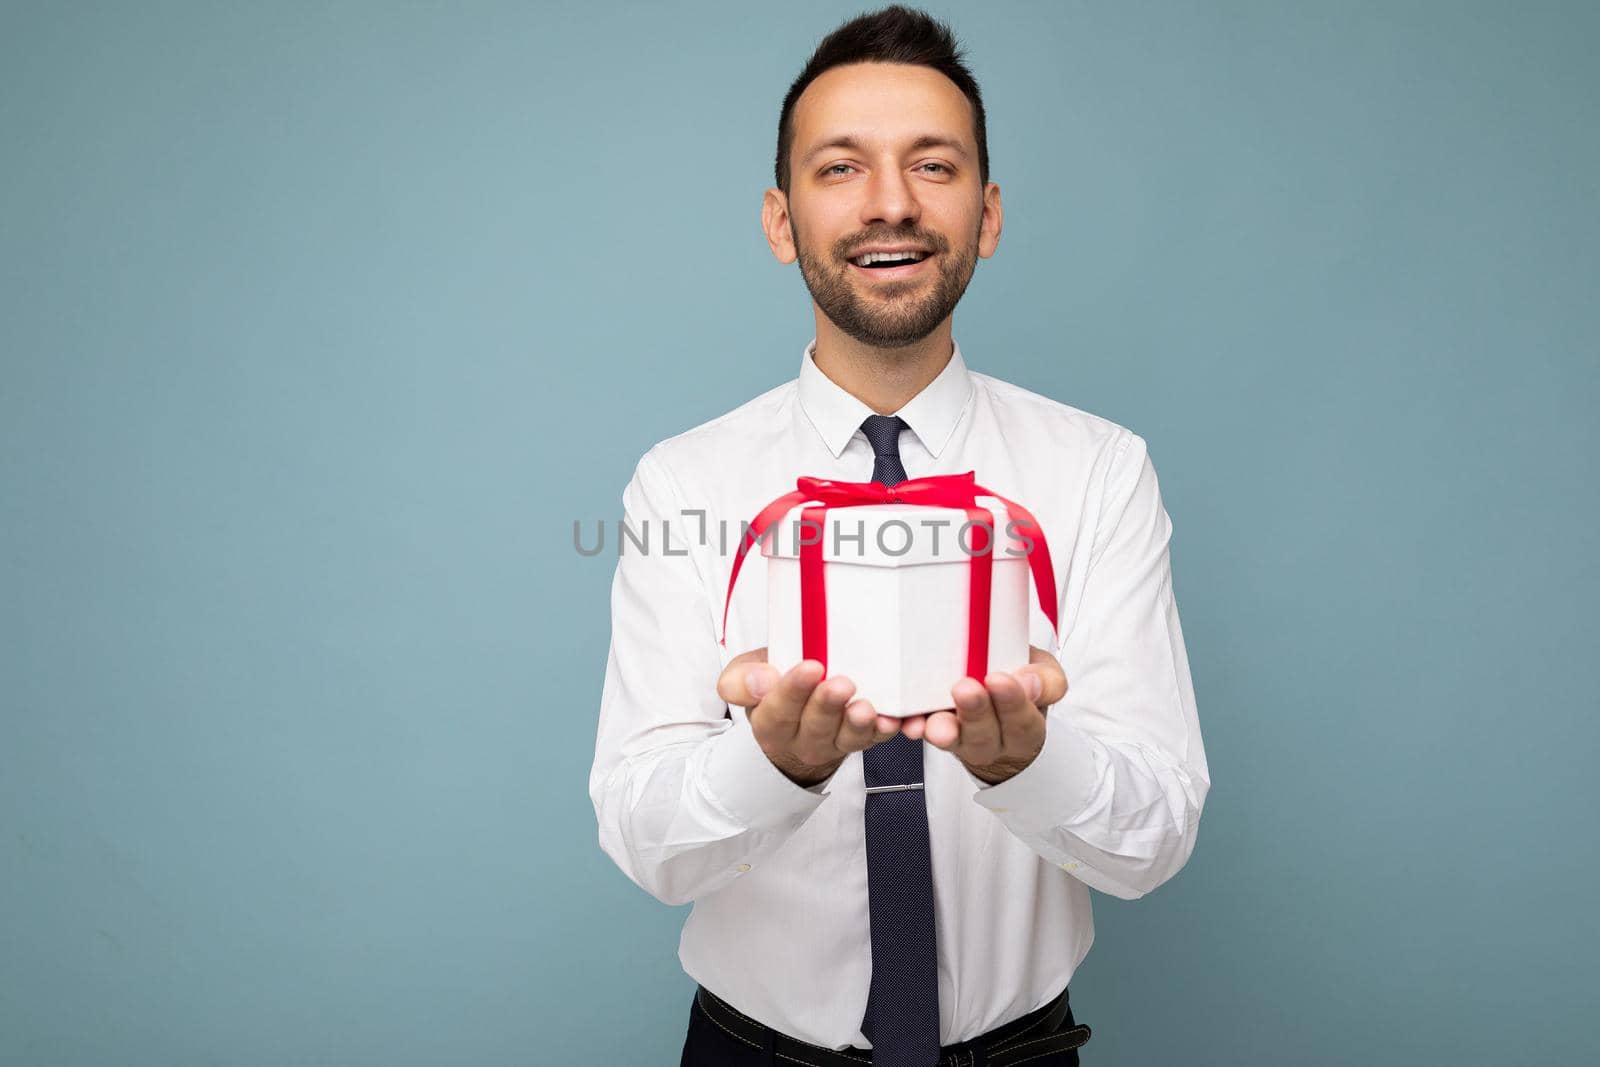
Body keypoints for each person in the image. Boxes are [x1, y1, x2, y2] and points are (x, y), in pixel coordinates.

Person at [588, 6, 1211, 1065]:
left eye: (933, 165)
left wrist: (1028, 763)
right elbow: (647, 843)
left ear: (988, 212)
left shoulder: (1100, 471)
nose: (891, 204)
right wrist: (771, 764)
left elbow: (1152, 839)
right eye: (841, 168)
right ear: (781, 221)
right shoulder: (682, 482)